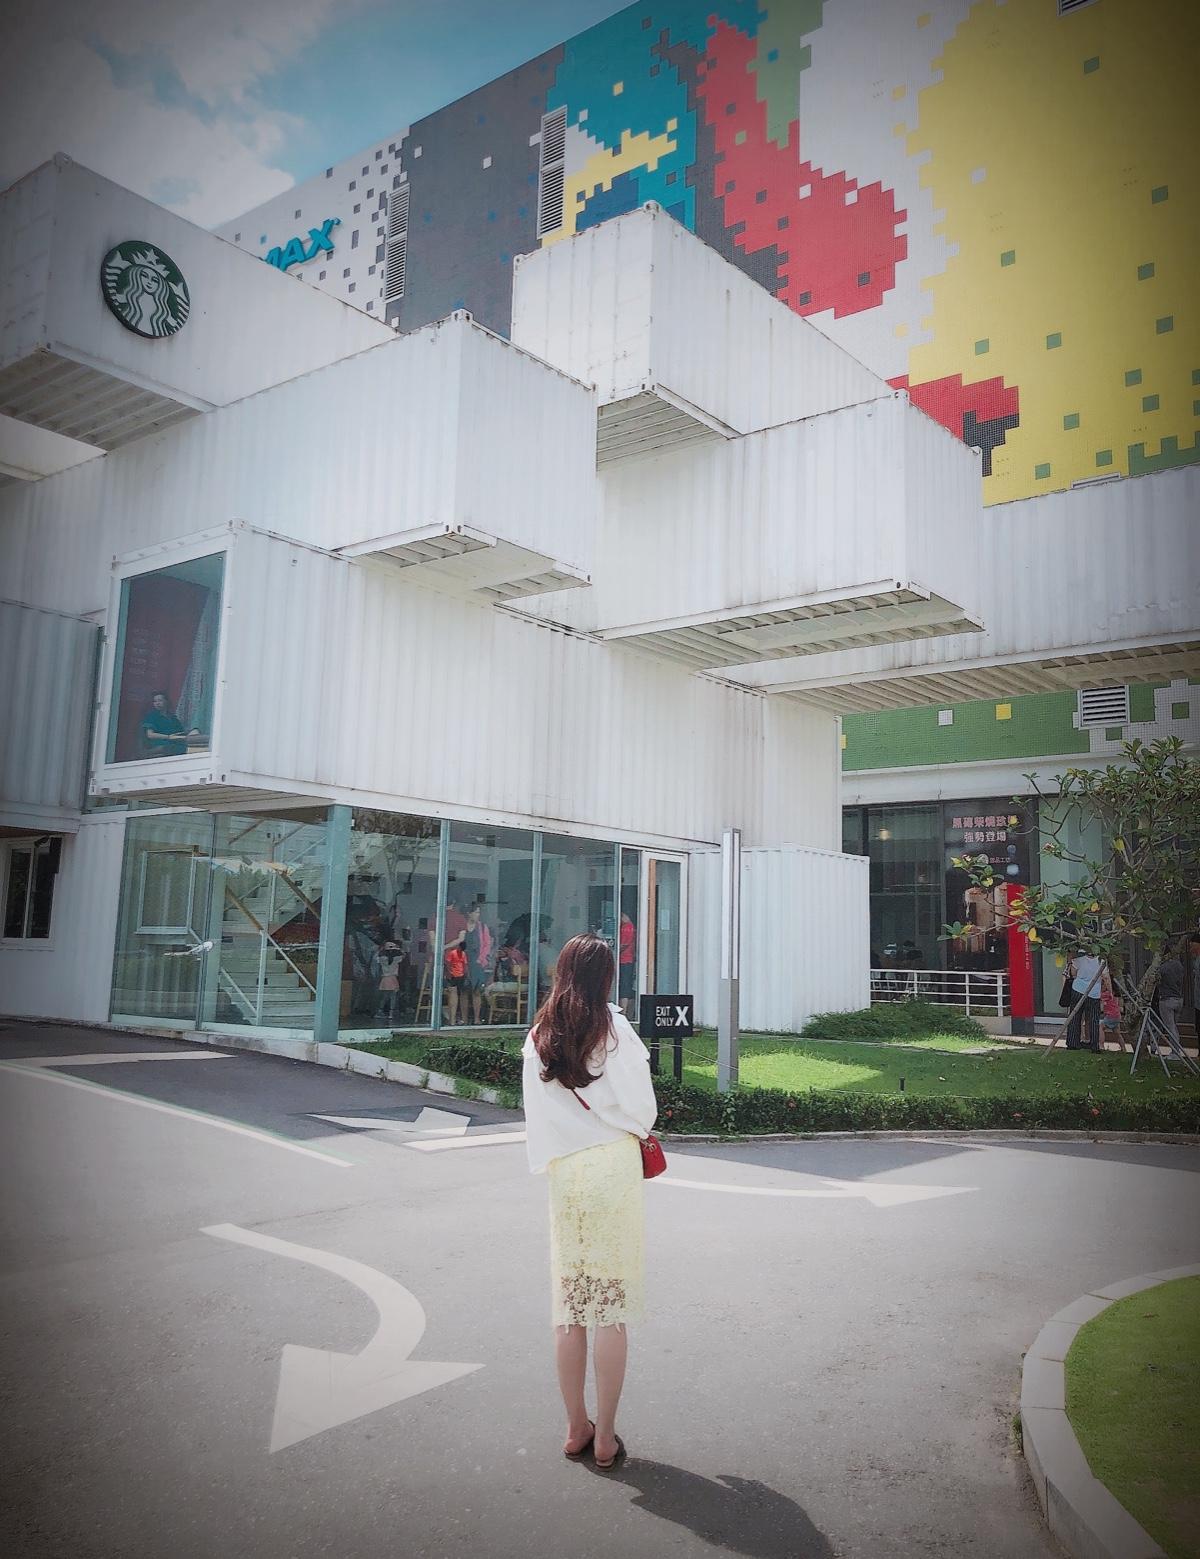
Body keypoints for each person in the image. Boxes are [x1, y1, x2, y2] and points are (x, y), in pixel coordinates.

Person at [522, 934, 657, 1471]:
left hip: (566, 1174)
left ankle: (576, 1426)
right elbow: (642, 1107)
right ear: (606, 977)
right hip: (612, 1169)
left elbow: (536, 1116)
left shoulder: (539, 1036)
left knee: (571, 1308)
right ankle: (606, 1436)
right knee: (611, 1309)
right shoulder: (614, 1030)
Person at [1065, 950, 1107, 1051]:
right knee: (1094, 1018)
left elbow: (1073, 973)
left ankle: (1072, 1043)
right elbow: (1105, 976)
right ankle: (1094, 1045)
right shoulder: (1102, 961)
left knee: (1075, 1016)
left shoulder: (1078, 960)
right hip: (1094, 992)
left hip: (1078, 989)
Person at [140, 690, 199, 758]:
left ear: (166, 701)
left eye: (160, 700)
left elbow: (181, 732)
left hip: (176, 741)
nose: (157, 703)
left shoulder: (173, 718)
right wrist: (168, 737)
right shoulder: (152, 716)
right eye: (155, 701)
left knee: (195, 731)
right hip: (160, 742)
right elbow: (150, 735)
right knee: (177, 748)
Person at [463, 903, 493, 1024]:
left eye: (478, 912)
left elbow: (487, 945)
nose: (477, 915)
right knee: (464, 990)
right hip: (464, 961)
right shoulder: (462, 926)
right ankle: (464, 1019)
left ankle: (476, 1018)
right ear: (469, 913)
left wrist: (480, 959)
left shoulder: (482, 927)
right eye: (475, 912)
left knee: (476, 990)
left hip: (477, 962)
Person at [1156, 948, 1185, 1054]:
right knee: (1174, 1027)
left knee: (1170, 1028)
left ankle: (1175, 1052)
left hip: (1166, 999)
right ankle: (1176, 1050)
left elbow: (1156, 981)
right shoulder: (1179, 965)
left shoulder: (1162, 967)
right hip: (1179, 999)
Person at [617, 910, 637, 1016]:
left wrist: (614, 952)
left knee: (624, 985)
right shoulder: (627, 927)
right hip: (625, 959)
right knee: (625, 985)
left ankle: (623, 1012)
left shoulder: (627, 927)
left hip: (625, 960)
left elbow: (623, 945)